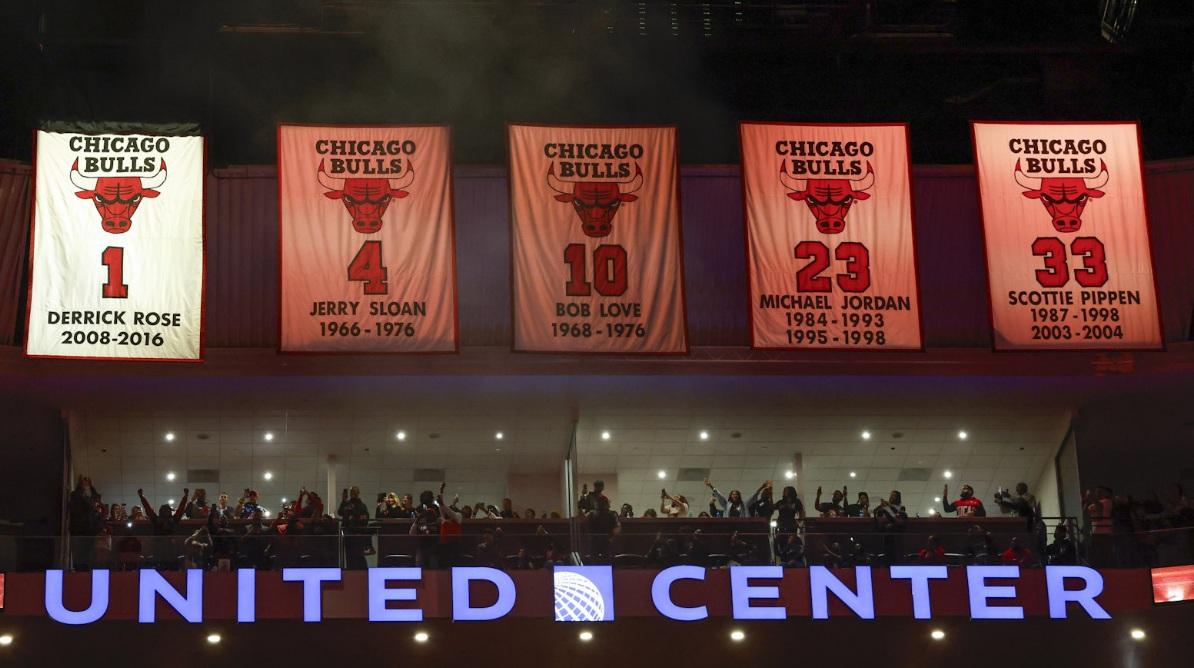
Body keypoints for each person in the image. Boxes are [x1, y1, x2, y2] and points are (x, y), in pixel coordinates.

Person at [338, 486, 371, 569]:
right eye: (352, 492)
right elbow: (340, 512)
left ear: (358, 493)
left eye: (354, 492)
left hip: (357, 533)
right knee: (349, 555)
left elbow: (364, 518)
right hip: (348, 533)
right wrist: (343, 501)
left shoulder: (362, 505)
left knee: (358, 554)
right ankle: (351, 570)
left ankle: (362, 570)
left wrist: (353, 512)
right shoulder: (347, 504)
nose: (353, 493)